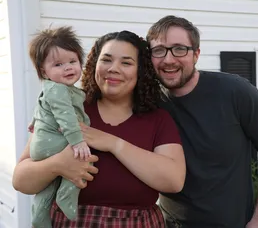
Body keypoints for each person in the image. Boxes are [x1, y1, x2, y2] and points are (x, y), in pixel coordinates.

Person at [12, 30, 186, 228]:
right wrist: (58, 164)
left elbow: (174, 181)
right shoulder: (67, 109)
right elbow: (20, 181)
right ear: (95, 64)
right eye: (106, 60)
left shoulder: (157, 119)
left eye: (126, 63)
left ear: (140, 71)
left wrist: (113, 143)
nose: (113, 69)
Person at [146, 15, 258, 228]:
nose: (168, 59)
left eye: (179, 49)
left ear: (196, 55)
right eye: (159, 50)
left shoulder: (235, 92)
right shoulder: (149, 102)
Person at [27, 26, 93, 228]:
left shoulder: (53, 88)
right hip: (55, 143)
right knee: (82, 158)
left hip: (43, 146)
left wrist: (34, 123)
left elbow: (42, 106)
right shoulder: (58, 90)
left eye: (73, 61)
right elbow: (65, 115)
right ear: (43, 71)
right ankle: (67, 192)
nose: (68, 68)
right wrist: (78, 141)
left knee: (46, 188)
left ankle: (39, 217)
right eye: (58, 64)